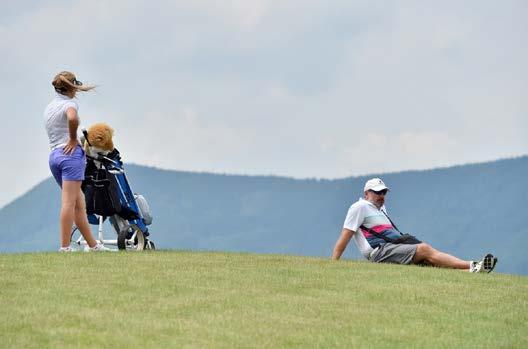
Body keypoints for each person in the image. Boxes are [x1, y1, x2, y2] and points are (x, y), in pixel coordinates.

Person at [332, 178, 497, 272]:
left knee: (430, 257)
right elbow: (345, 235)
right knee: (424, 250)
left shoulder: (381, 209)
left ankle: (472, 270)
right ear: (366, 193)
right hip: (380, 251)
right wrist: (333, 265)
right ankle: (473, 265)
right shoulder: (359, 207)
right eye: (377, 192)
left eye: (384, 192)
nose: (381, 195)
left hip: (395, 244)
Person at [44, 71, 110, 252]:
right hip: (70, 156)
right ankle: (64, 248)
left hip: (54, 157)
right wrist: (74, 139)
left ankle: (94, 246)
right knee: (68, 203)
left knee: (79, 203)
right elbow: (72, 118)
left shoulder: (49, 107)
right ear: (71, 87)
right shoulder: (70, 104)